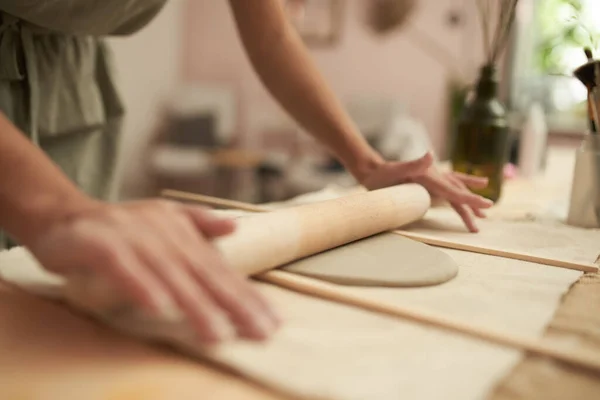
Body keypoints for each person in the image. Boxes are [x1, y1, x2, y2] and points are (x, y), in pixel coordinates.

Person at [0, 0, 492, 344]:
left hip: (72, 95)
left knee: (60, 305)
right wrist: (55, 209)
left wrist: (369, 163)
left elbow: (273, 36)